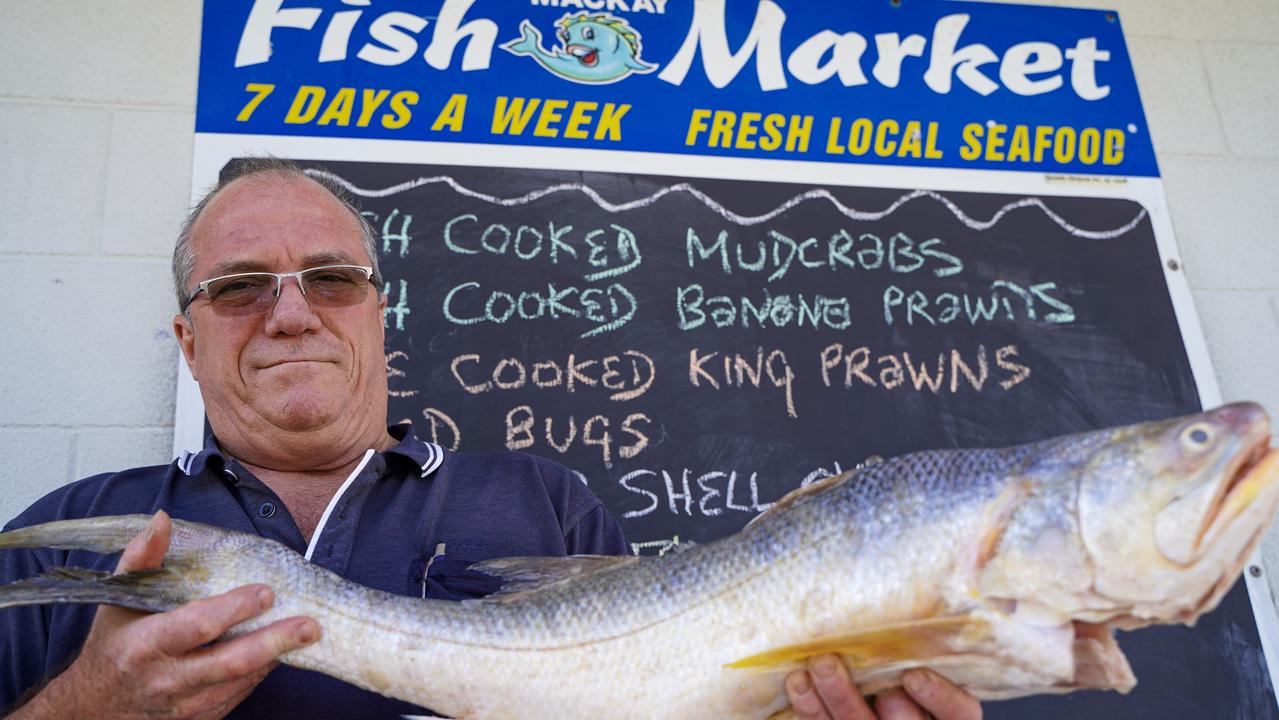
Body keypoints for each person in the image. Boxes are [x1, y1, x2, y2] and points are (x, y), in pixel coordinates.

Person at [0, 158, 980, 720]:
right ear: (187, 336)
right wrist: (87, 706)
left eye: (333, 279)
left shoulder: (547, 504)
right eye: (240, 286)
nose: (291, 314)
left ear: (378, 316)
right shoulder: (80, 532)